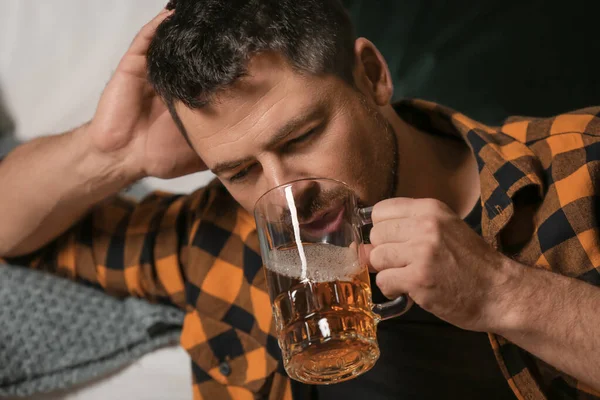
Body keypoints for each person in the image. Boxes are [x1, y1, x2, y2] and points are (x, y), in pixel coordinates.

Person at [1, 0, 599, 399]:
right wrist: (111, 152)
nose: (284, 191)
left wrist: (503, 292)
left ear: (371, 75)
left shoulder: (582, 163)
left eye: (302, 136)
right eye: (238, 170)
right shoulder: (213, 239)